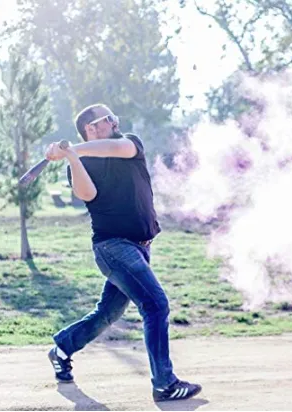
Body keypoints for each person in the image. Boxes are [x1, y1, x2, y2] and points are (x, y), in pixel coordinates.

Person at [44, 103, 201, 402]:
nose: (115, 121)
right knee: (155, 305)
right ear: (91, 128)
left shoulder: (128, 143)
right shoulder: (79, 163)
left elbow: (115, 148)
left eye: (112, 117)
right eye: (108, 118)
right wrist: (73, 157)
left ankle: (62, 348)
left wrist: (71, 148)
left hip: (140, 248)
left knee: (108, 313)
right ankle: (165, 384)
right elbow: (87, 194)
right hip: (113, 247)